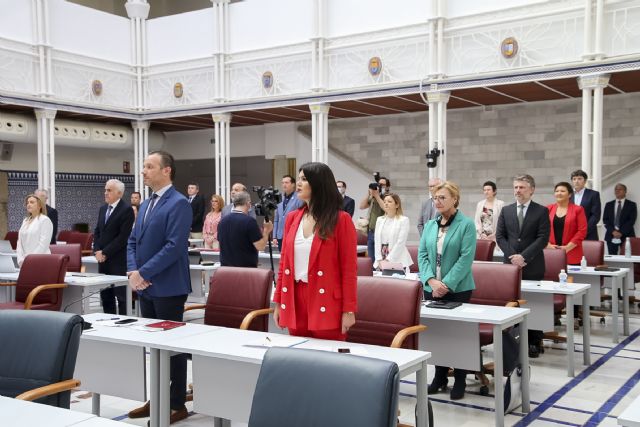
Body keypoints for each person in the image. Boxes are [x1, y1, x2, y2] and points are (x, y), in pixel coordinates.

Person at [126, 150, 191, 424]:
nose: (143, 171)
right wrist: (133, 272)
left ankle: (176, 402)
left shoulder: (179, 203)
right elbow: (132, 241)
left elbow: (174, 246)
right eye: (143, 167)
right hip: (145, 285)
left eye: (149, 166)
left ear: (167, 171)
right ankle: (157, 397)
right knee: (153, 346)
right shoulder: (148, 203)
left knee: (172, 348)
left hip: (168, 286)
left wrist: (144, 272)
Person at [273, 162, 357, 341]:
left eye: (304, 179)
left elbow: (349, 269)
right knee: (299, 355)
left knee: (327, 360)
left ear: (319, 183)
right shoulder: (292, 218)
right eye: (300, 178)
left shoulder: (341, 219)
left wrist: (348, 309)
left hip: (326, 297)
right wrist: (279, 302)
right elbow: (283, 264)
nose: (299, 183)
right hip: (295, 296)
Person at [418, 181, 476, 400]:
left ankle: (460, 377)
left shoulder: (466, 224)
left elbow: (466, 258)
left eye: (442, 197)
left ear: (455, 199)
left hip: (459, 288)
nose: (438, 201)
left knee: (459, 334)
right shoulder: (431, 225)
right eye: (435, 198)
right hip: (432, 287)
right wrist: (431, 280)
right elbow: (422, 254)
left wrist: (447, 284)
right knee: (439, 333)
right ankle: (439, 376)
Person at [496, 174, 550, 358]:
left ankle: (534, 340)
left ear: (532, 190)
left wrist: (524, 256)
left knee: (533, 304)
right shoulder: (506, 210)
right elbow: (500, 236)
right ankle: (513, 340)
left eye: (522, 187)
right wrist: (513, 256)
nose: (518, 190)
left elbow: (543, 238)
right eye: (516, 187)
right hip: (510, 266)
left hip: (532, 264)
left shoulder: (541, 211)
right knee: (513, 303)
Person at [93, 179, 135, 315]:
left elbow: (122, 237)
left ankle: (123, 323)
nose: (105, 193)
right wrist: (97, 251)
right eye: (105, 190)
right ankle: (108, 321)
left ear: (119, 193)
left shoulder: (126, 210)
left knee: (121, 296)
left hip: (117, 260)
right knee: (106, 295)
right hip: (102, 260)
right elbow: (97, 231)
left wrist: (105, 252)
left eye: (109, 190)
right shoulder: (102, 209)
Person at [217, 191, 273, 267]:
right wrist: (266, 231)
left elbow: (220, 243)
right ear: (248, 203)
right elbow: (260, 246)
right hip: (245, 270)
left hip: (226, 269)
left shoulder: (222, 221)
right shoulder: (250, 222)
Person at [546, 182, 587, 265]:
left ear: (569, 194)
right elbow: (540, 230)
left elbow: (582, 231)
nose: (559, 193)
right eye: (557, 191)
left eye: (562, 191)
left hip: (572, 252)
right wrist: (547, 245)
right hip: (550, 252)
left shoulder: (578, 209)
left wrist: (568, 247)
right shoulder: (548, 209)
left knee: (570, 278)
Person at [373, 193, 413, 271]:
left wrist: (388, 260)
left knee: (397, 281)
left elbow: (400, 242)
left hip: (397, 256)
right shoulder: (379, 219)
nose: (386, 203)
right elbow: (377, 240)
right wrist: (379, 259)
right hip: (381, 256)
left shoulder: (403, 220)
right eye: (384, 202)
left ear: (397, 205)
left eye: (389, 201)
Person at [359, 176, 390, 265]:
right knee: (371, 259)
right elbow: (361, 206)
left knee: (381, 259)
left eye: (383, 185)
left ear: (387, 187)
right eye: (379, 184)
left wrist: (377, 196)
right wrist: (369, 193)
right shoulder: (373, 197)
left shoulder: (388, 197)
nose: (380, 186)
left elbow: (386, 208)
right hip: (371, 231)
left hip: (382, 232)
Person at [16, 194, 53, 266]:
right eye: (27, 203)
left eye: (32, 202)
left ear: (39, 206)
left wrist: (30, 259)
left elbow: (43, 245)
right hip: (24, 261)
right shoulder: (25, 220)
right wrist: (20, 259)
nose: (28, 204)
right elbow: (19, 242)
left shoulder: (45, 220)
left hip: (41, 261)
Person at [603, 183, 637, 255]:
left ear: (625, 191)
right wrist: (613, 232)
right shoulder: (608, 204)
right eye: (616, 189)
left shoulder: (632, 205)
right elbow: (605, 220)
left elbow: (631, 221)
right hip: (611, 235)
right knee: (612, 258)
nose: (617, 191)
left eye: (620, 189)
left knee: (627, 258)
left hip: (626, 235)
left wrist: (621, 232)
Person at [570, 169, 601, 241]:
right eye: (574, 179)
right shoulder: (568, 195)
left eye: (579, 179)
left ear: (585, 181)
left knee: (589, 252)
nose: (576, 181)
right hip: (571, 234)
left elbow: (595, 216)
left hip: (588, 233)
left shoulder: (593, 194)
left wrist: (583, 231)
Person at [273, 175, 301, 251]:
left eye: (286, 182)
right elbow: (276, 219)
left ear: (293, 184)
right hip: (280, 235)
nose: (284, 185)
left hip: (292, 234)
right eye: (282, 183)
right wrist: (274, 236)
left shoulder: (298, 198)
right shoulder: (279, 198)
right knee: (282, 260)